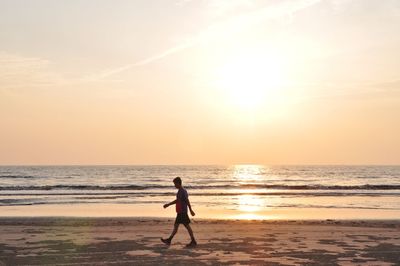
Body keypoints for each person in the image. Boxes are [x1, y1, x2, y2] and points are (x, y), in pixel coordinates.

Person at [161, 176, 197, 247]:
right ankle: (169, 240)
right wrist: (168, 204)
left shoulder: (182, 191)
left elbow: (187, 201)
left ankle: (193, 241)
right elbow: (178, 200)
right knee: (176, 226)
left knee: (187, 226)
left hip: (182, 212)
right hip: (180, 212)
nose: (174, 185)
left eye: (175, 184)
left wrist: (190, 210)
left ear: (178, 183)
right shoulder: (180, 191)